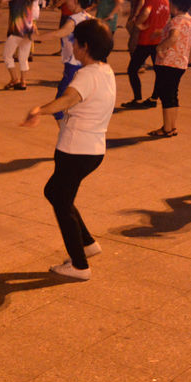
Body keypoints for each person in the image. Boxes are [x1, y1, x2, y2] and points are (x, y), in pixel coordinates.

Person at [21, 19, 116, 280]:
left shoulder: (86, 75)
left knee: (60, 198)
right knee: (57, 193)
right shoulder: (105, 71)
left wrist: (39, 109)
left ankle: (80, 265)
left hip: (76, 149)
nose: (72, 45)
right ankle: (87, 244)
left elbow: (68, 99)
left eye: (74, 42)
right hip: (93, 149)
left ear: (84, 47)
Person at [35, 0, 94, 118]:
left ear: (76, 1)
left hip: (73, 67)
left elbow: (58, 34)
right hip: (87, 65)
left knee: (59, 107)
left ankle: (66, 135)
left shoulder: (73, 20)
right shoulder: (90, 18)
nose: (66, 1)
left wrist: (36, 37)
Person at [146, 0, 191, 138]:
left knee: (166, 95)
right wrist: (160, 33)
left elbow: (173, 37)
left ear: (176, 5)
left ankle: (167, 128)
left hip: (169, 62)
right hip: (180, 63)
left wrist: (160, 47)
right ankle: (171, 126)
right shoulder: (188, 19)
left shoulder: (177, 21)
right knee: (172, 94)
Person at [121, 0, 170, 110]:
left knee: (132, 69)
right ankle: (154, 98)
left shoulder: (151, 0)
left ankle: (138, 98)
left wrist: (138, 23)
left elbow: (146, 12)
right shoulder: (165, 1)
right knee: (159, 71)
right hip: (158, 42)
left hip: (145, 41)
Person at [3, 0, 36, 90]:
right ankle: (23, 81)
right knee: (23, 57)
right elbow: (30, 10)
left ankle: (14, 79)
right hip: (28, 30)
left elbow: (2, 0)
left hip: (16, 30)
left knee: (7, 55)